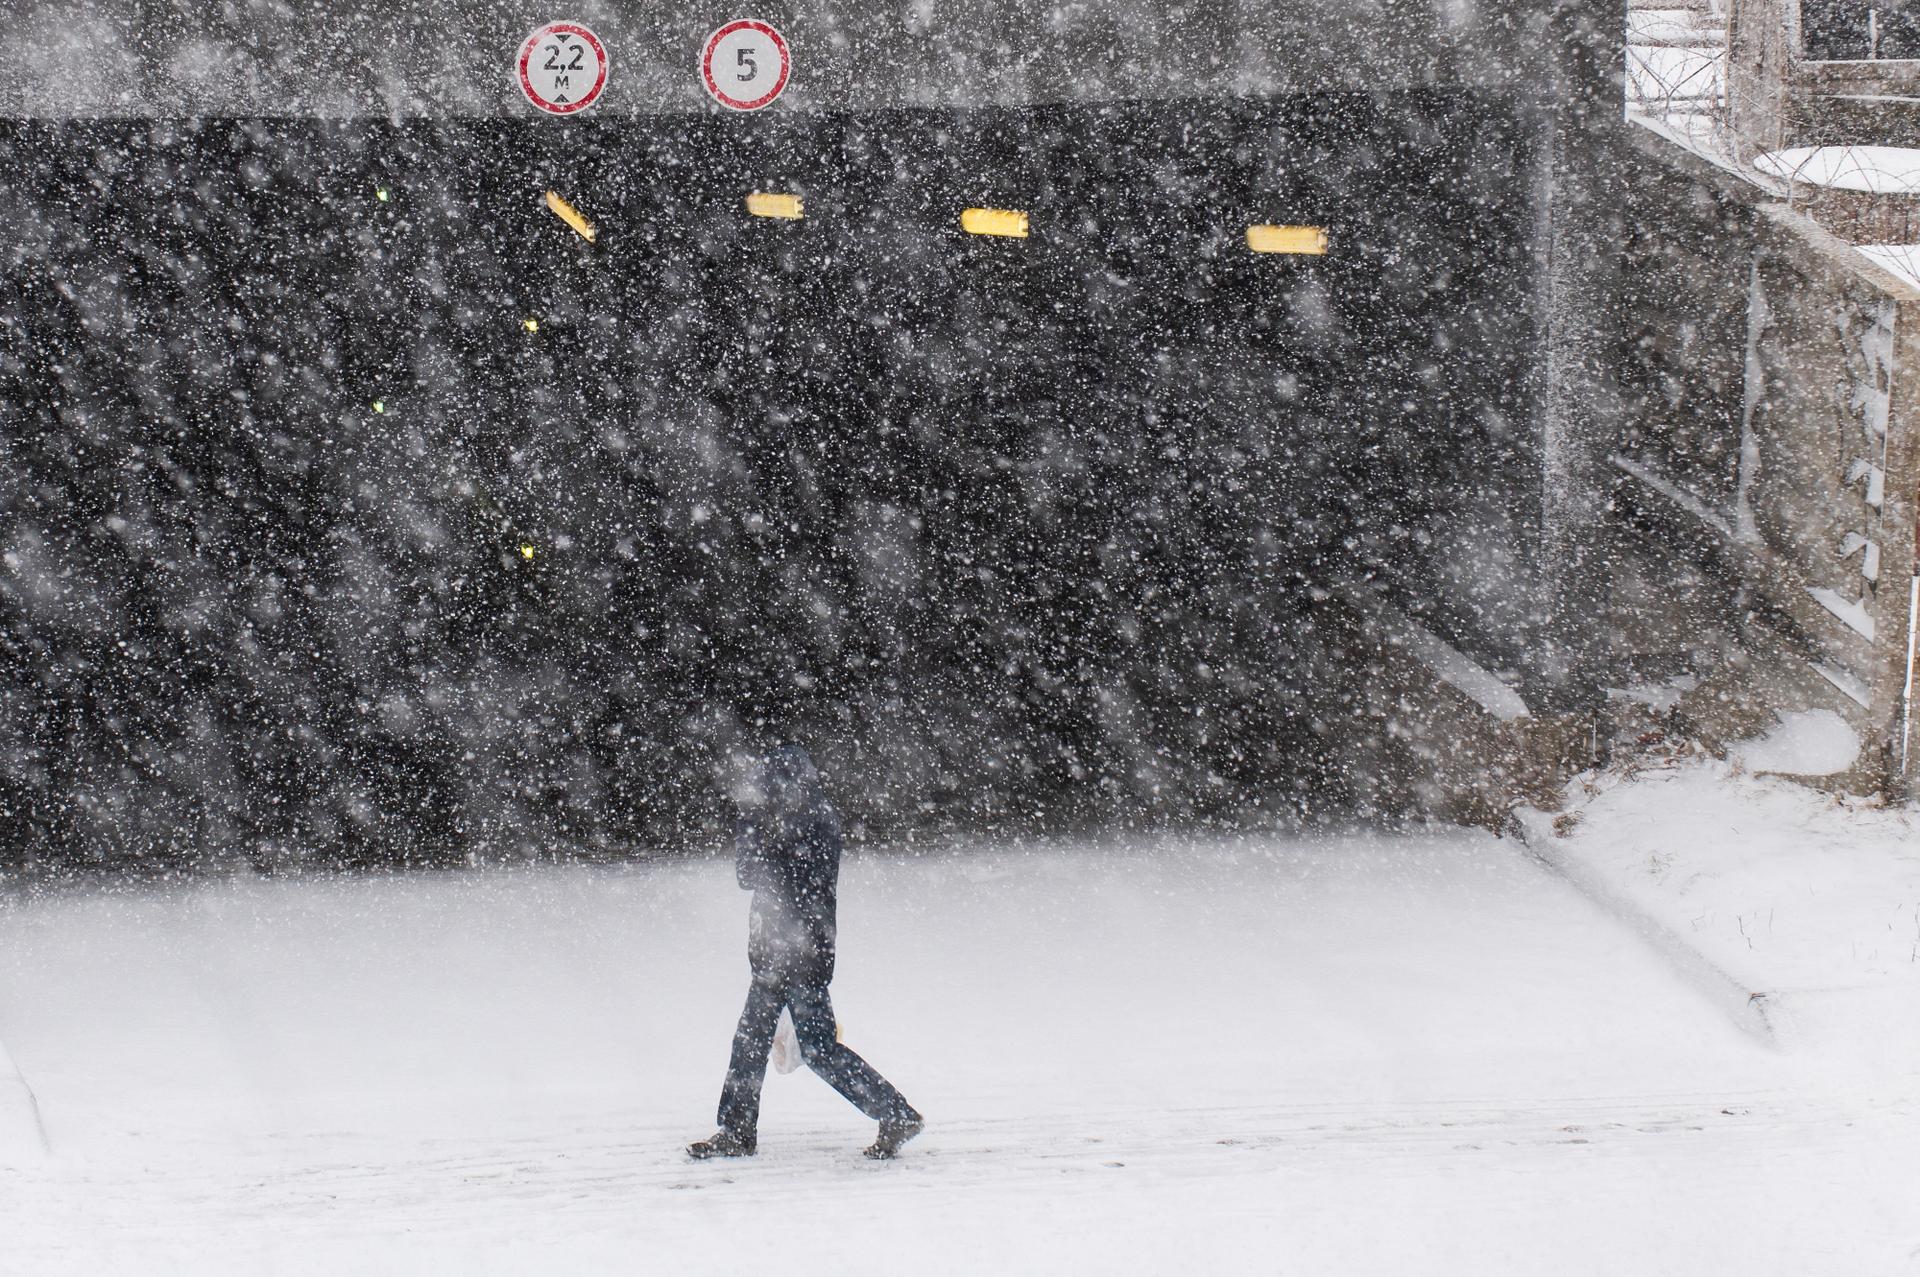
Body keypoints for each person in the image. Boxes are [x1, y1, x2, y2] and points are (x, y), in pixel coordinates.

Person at [688, 744, 924, 1161]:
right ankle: (737, 1131)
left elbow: (758, 875)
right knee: (754, 1041)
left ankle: (895, 1113)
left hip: (798, 955)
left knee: (814, 1048)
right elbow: (757, 876)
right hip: (779, 954)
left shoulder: (808, 824)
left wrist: (751, 826)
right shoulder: (800, 819)